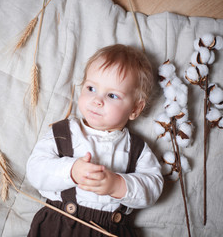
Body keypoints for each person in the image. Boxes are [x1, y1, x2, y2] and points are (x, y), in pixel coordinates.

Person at [26, 44, 163, 237]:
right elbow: (35, 170)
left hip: (109, 229)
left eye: (112, 95)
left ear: (135, 109)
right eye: (91, 88)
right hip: (59, 224)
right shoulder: (64, 132)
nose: (97, 100)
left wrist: (117, 185)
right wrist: (71, 171)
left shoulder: (136, 149)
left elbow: (153, 187)